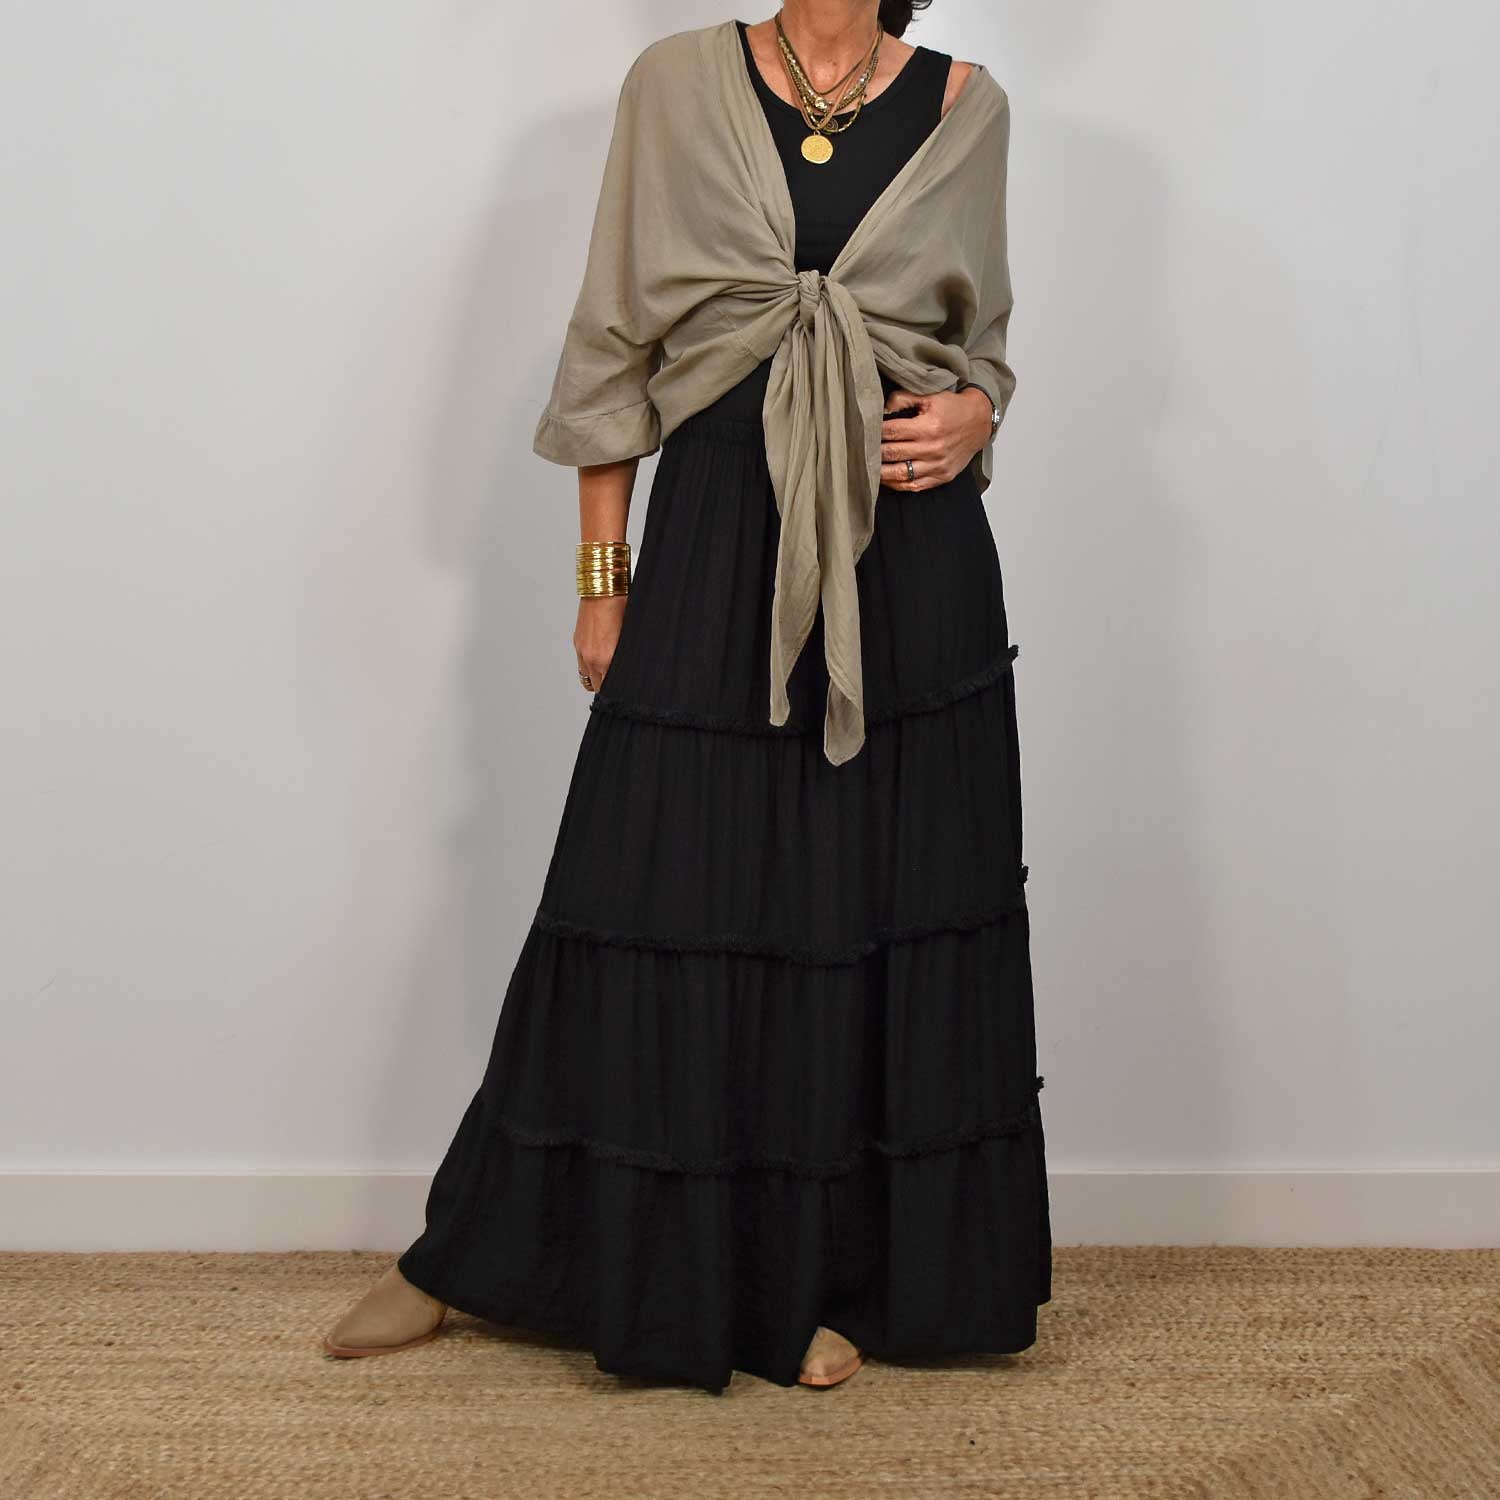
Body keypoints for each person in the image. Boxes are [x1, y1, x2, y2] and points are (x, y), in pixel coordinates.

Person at [324, 0, 1051, 1394]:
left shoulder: (970, 105)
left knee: (867, 905)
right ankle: (475, 1252)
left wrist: (979, 413)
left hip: (910, 555)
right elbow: (614, 336)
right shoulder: (675, 83)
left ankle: (822, 1276)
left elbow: (982, 341)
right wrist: (605, 580)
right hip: (720, 522)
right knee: (648, 894)